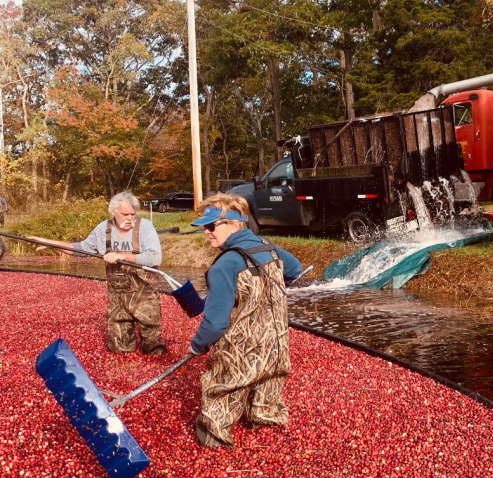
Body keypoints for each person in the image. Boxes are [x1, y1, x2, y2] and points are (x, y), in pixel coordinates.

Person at [188, 192, 302, 448]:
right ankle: (264, 420)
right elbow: (294, 270)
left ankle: (215, 434)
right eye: (203, 227)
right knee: (268, 387)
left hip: (241, 351)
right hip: (276, 346)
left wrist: (198, 345)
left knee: (222, 384)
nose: (206, 232)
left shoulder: (224, 265)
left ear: (235, 223)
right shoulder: (269, 248)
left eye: (210, 225)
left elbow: (215, 323)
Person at [33, 191, 166, 355]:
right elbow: (80, 249)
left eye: (133, 214)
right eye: (125, 214)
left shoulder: (144, 227)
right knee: (119, 350)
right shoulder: (103, 229)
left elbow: (155, 257)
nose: (130, 218)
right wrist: (49, 243)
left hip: (144, 296)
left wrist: (122, 256)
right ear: (113, 212)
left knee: (154, 349)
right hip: (117, 299)